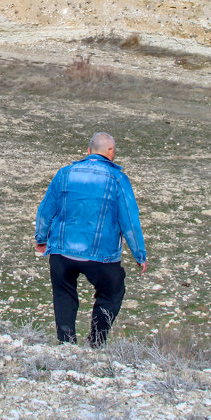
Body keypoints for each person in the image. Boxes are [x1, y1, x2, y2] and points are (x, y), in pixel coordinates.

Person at [34, 132, 148, 346]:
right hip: (101, 256)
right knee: (112, 291)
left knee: (64, 294)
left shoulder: (64, 174)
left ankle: (66, 343)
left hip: (62, 251)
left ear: (88, 151)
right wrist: (140, 254)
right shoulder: (117, 179)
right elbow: (130, 222)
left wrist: (41, 238)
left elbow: (45, 210)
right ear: (111, 152)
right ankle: (96, 343)